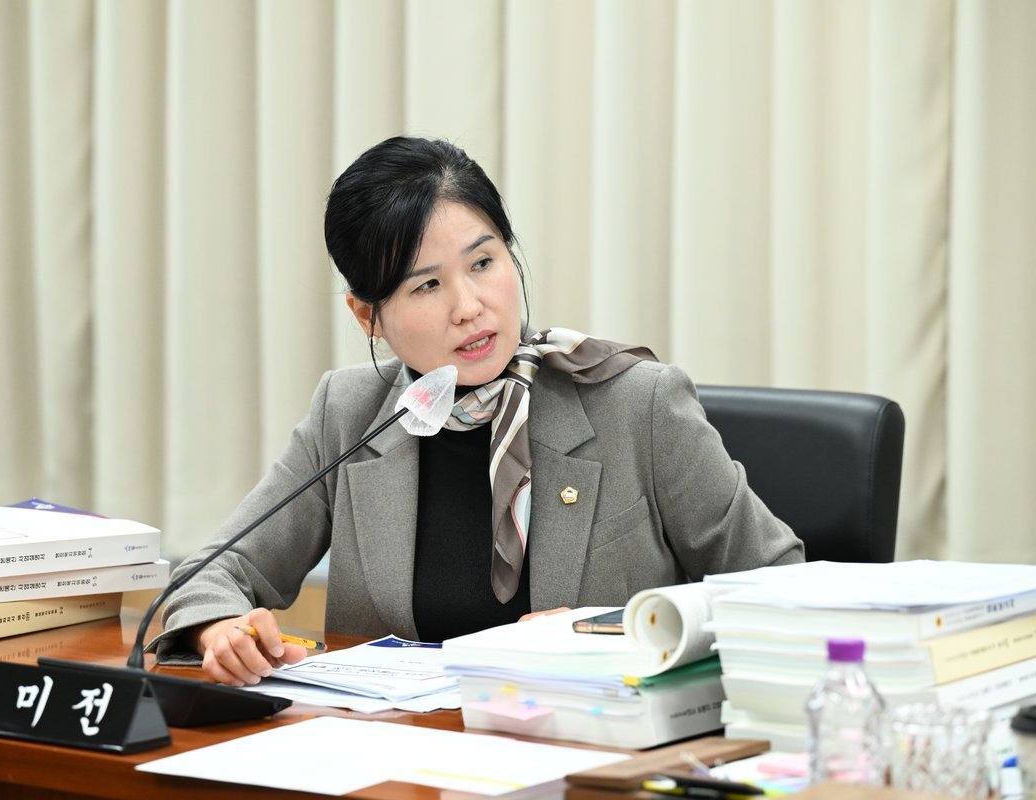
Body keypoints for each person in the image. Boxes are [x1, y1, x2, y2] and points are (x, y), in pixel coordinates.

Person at [151, 136, 804, 686]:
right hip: (398, 758)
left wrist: (607, 628)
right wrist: (220, 628)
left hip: (596, 748)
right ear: (367, 315)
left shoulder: (637, 404)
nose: (469, 307)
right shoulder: (351, 414)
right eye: (427, 285)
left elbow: (783, 588)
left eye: (484, 262)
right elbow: (213, 574)